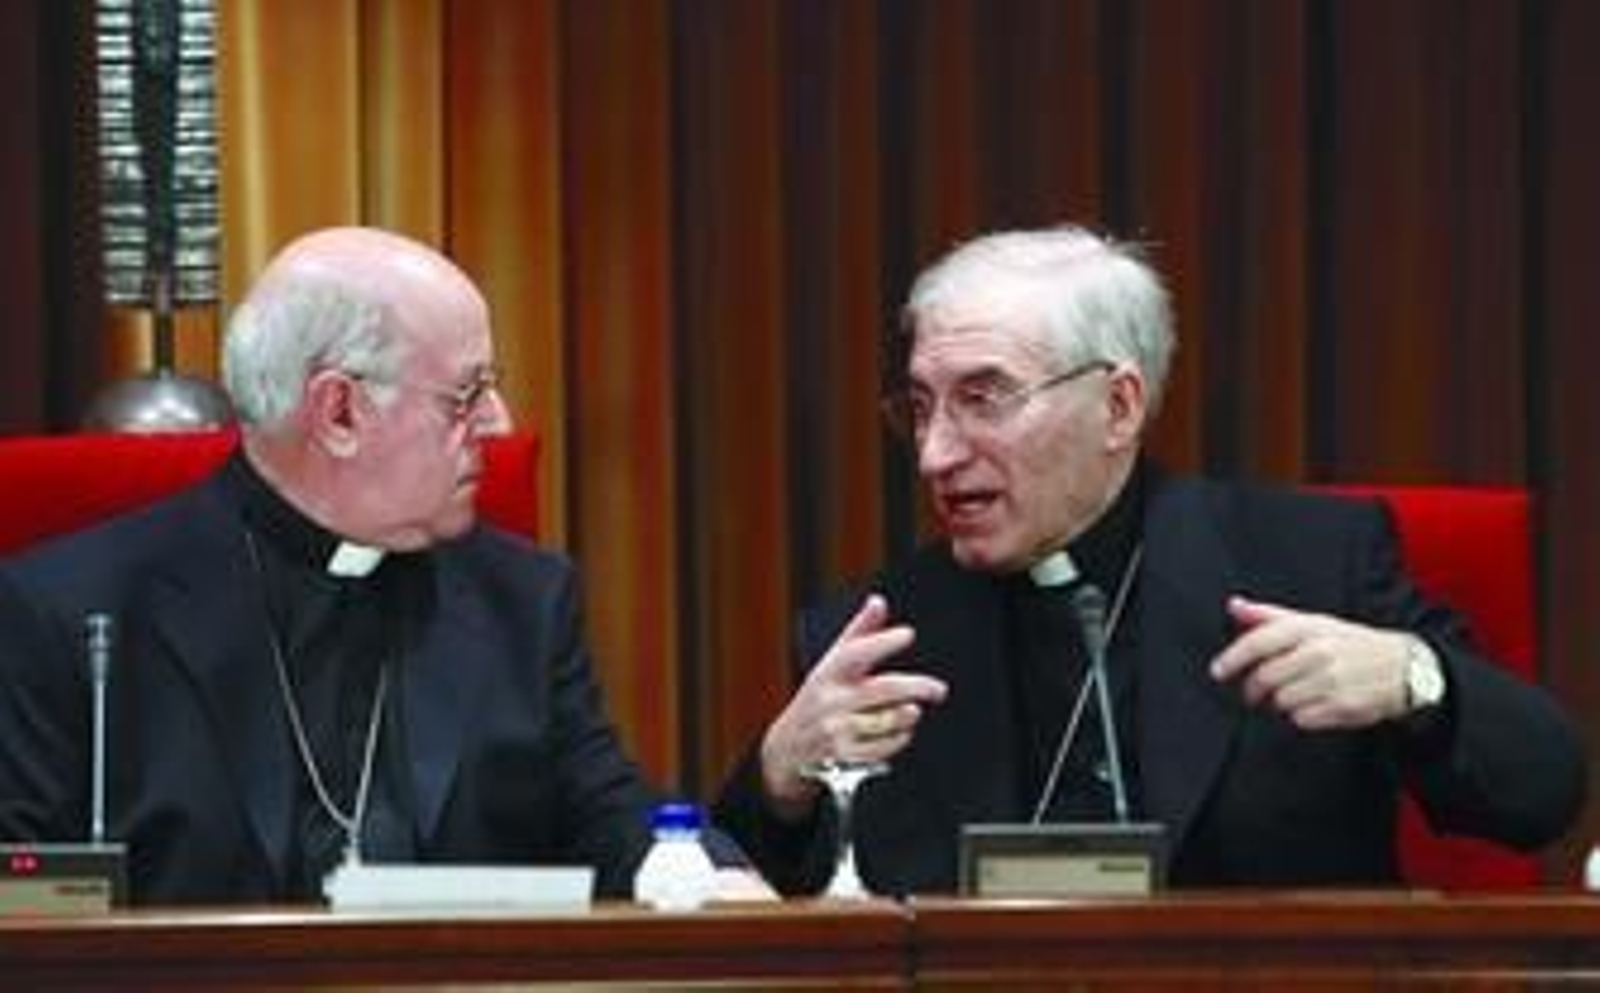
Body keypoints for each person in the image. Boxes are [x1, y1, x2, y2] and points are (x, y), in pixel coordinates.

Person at [715, 224, 1587, 894]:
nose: (937, 453)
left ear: (1120, 405)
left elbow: (1545, 794)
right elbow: (741, 909)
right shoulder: (875, 636)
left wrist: (1413, 678)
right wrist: (778, 776)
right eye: (922, 405)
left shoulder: (1310, 564)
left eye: (983, 399)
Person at [0, 226, 752, 904]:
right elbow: (27, 906)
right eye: (468, 394)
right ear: (339, 413)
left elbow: (608, 810)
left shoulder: (522, 601)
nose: (500, 425)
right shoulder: (71, 615)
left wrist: (714, 878)